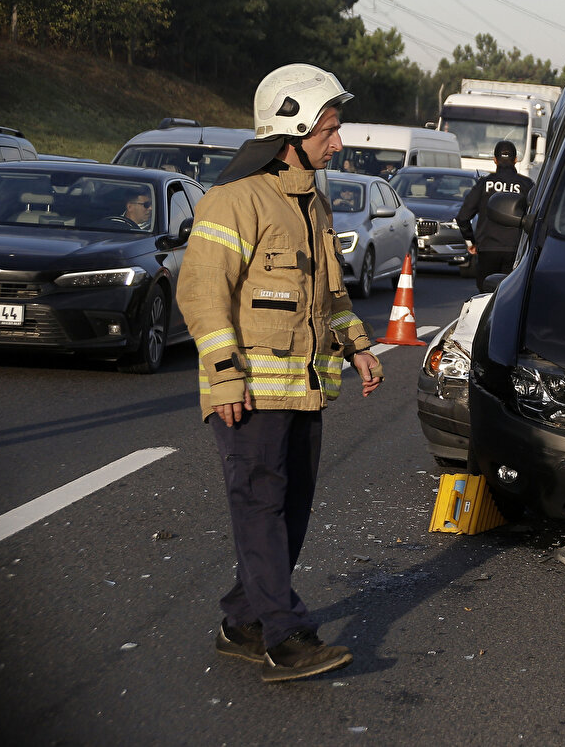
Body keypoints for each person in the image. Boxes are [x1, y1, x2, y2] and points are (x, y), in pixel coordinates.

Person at [177, 63, 383, 683]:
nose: (338, 142)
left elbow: (330, 293)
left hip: (305, 391)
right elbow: (200, 292)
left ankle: (244, 621)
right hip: (249, 394)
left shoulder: (310, 202)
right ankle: (285, 636)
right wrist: (224, 374)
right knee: (262, 505)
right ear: (291, 131)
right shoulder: (234, 201)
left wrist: (359, 347)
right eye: (329, 130)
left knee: (290, 508)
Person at [456, 139, 534, 291]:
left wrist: (471, 242)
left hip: (487, 248)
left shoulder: (484, 184)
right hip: (515, 250)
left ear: (495, 160)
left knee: (485, 296)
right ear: (516, 160)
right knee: (509, 295)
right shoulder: (527, 185)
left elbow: (463, 217)